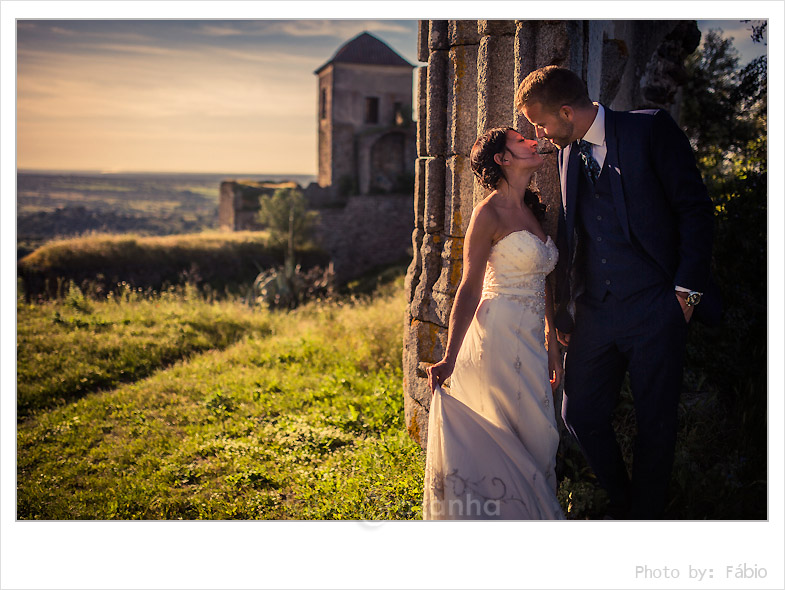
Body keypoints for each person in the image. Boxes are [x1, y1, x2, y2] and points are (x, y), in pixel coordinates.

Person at [516, 65, 718, 519]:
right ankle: (624, 501)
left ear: (566, 112)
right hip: (596, 314)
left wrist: (686, 294)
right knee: (579, 414)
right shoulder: (569, 153)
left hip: (658, 306)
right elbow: (573, 235)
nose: (542, 135)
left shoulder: (649, 130)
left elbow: (696, 210)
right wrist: (566, 311)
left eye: (542, 123)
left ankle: (644, 519)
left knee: (656, 424)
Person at [422, 127, 565, 520]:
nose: (533, 142)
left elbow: (543, 282)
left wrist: (553, 345)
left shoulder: (534, 209)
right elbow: (468, 289)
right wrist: (449, 358)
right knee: (510, 435)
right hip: (497, 335)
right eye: (522, 142)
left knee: (539, 439)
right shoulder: (488, 213)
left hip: (532, 338)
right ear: (502, 159)